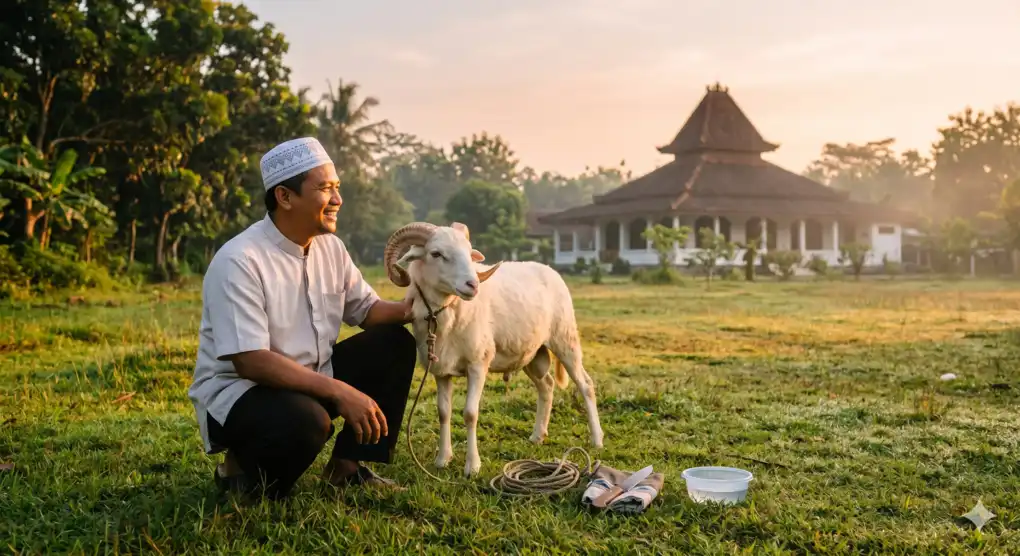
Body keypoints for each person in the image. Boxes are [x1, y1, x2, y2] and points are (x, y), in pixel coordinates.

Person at [187, 137, 417, 500]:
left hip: (310, 378)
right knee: (307, 422)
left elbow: (368, 310)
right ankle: (239, 472)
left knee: (394, 341)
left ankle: (347, 468)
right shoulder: (240, 260)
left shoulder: (331, 248)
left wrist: (421, 306)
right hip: (246, 393)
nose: (338, 200)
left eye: (337, 188)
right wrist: (342, 392)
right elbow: (250, 361)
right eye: (325, 189)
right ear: (285, 197)